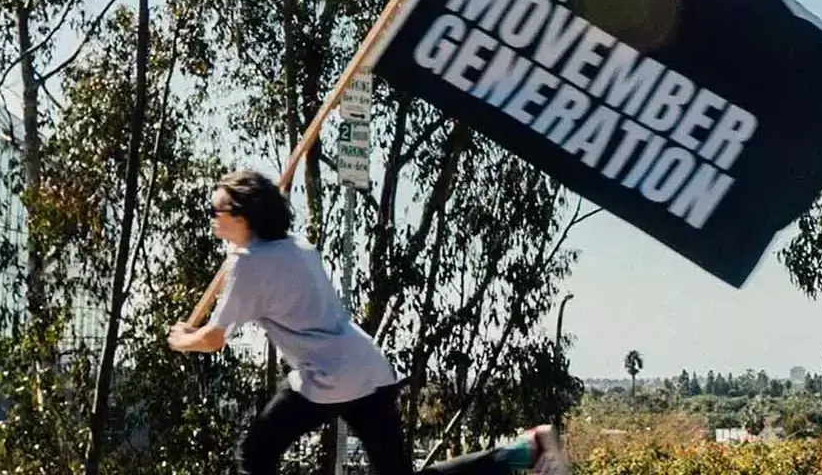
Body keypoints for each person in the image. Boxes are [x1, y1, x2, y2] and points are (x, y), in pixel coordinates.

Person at [166, 169, 571, 475]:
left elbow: (214, 339)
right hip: (368, 367)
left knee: (256, 454)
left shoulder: (247, 264)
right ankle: (525, 451)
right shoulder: (297, 247)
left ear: (241, 216)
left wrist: (182, 339)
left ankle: (524, 451)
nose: (211, 219)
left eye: (214, 211)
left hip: (326, 377)